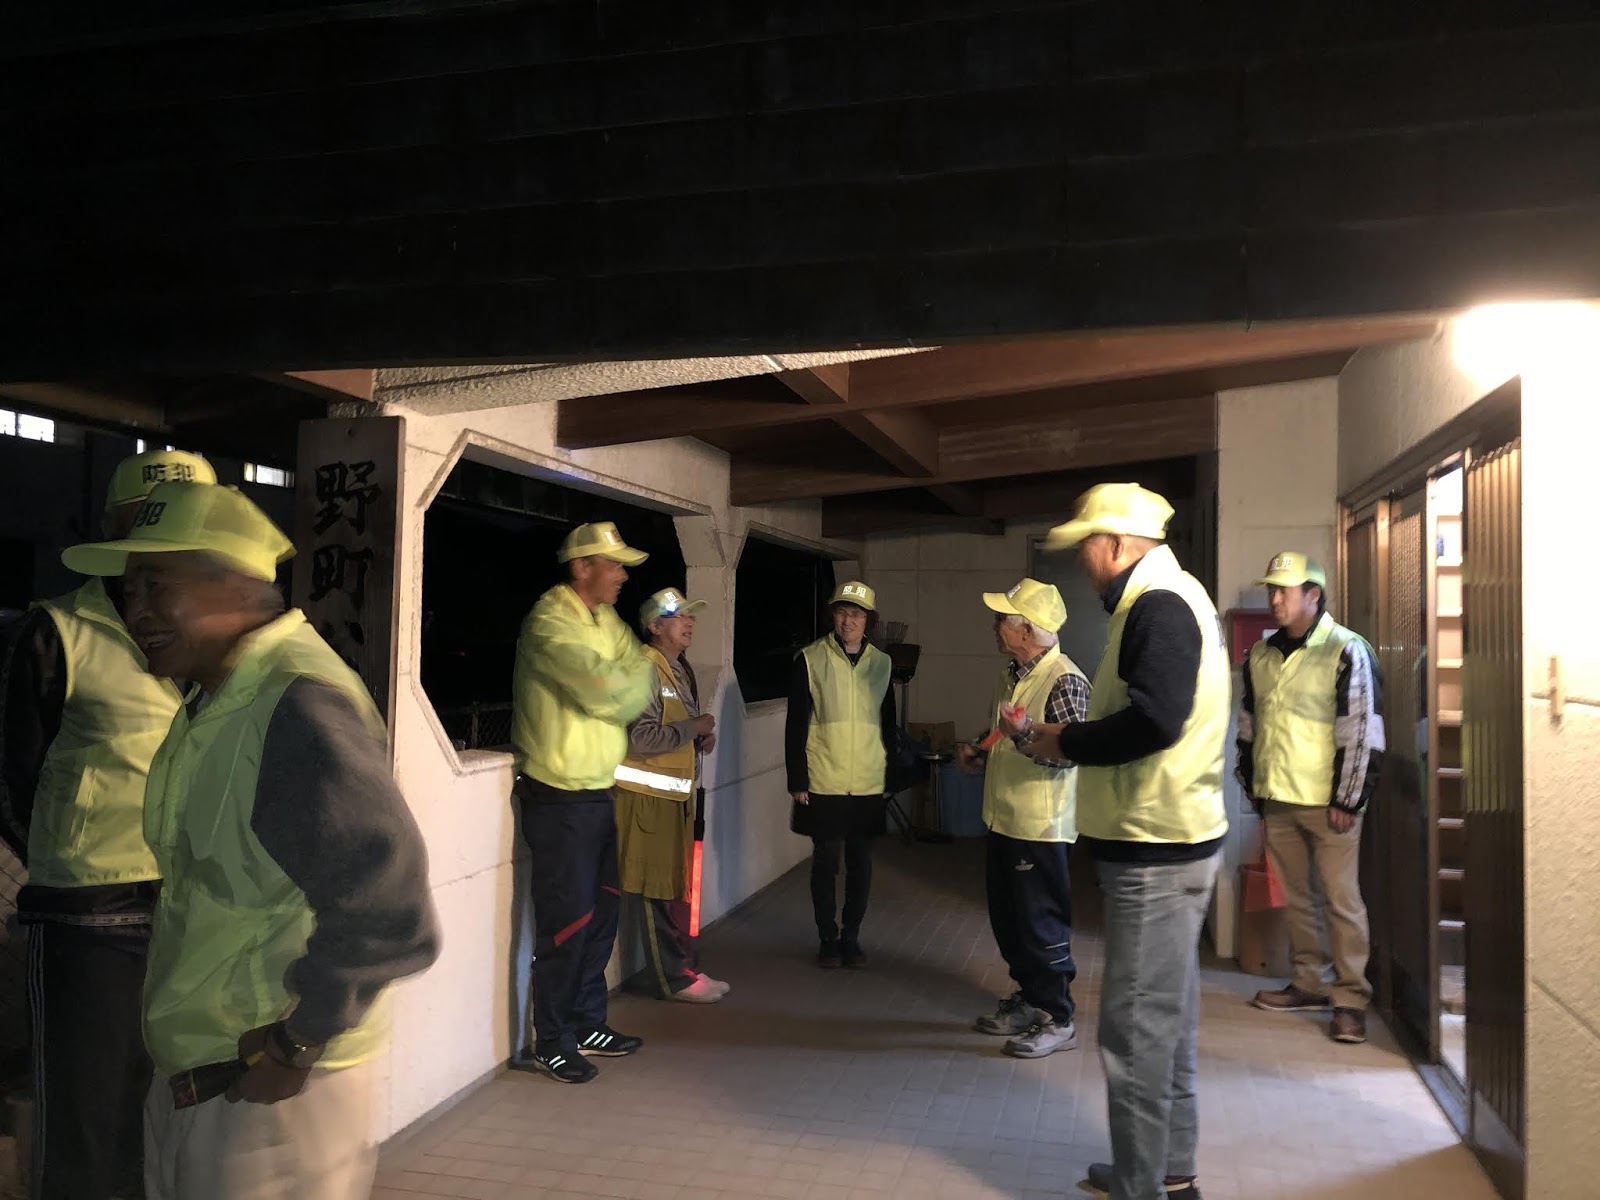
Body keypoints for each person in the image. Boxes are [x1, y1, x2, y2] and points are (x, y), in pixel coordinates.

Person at [58, 480, 440, 1200]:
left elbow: (390, 908)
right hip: (207, 1069)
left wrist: (299, 1041)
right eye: (129, 589)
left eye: (157, 584)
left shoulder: (294, 703)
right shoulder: (220, 697)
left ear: (235, 584)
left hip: (267, 1084)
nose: (135, 610)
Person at [0, 447, 216, 1200]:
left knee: (163, 1108)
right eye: (147, 519)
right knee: (83, 1122)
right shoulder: (58, 631)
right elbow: (13, 777)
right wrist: (67, 859)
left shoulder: (221, 640)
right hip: (87, 917)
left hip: (192, 909)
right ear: (111, 528)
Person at [1012, 483, 1229, 1200]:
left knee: (1134, 1034)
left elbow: (1155, 720)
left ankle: (1143, 1187)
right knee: (1168, 1025)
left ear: (1114, 545)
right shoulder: (1176, 597)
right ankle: (1169, 1171)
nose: (1083, 564)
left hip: (1155, 846)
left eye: (1086, 548)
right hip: (1175, 837)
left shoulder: (1157, 606)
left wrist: (1065, 741)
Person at [510, 522, 656, 1083]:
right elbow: (612, 692)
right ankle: (552, 1040)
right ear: (581, 567)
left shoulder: (604, 619)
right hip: (558, 796)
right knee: (566, 925)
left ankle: (587, 1021)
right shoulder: (550, 622)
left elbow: (636, 679)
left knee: (601, 917)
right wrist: (625, 676)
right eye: (614, 564)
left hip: (598, 791)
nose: (622, 576)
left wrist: (625, 676)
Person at [1237, 552, 1385, 1045]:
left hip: (1330, 804)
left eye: (1284, 590)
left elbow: (1361, 730)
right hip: (1278, 797)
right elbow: (1249, 724)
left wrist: (1349, 798)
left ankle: (1350, 999)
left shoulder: (1346, 650)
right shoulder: (1261, 655)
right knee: (1298, 899)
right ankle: (1308, 983)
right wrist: (1252, 784)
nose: (1274, 599)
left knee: (1342, 901)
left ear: (1313, 595)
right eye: (1271, 590)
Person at [958, 579, 1090, 1060]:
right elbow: (1006, 726)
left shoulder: (1065, 680)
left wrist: (1018, 736)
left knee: (1040, 925)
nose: (995, 626)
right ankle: (1031, 999)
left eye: (1003, 619)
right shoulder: (1013, 673)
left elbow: (1068, 754)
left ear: (1028, 630)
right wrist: (982, 749)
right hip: (1004, 818)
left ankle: (1058, 1017)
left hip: (1040, 827)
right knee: (1010, 923)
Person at [614, 587, 728, 1003]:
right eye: (679, 616)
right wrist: (693, 728)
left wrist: (697, 739)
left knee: (674, 888)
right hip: (647, 801)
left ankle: (684, 970)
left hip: (673, 799)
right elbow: (640, 738)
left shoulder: (678, 669)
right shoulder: (644, 668)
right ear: (654, 626)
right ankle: (672, 980)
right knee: (657, 890)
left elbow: (674, 729)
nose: (689, 623)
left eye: (690, 616)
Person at [785, 581, 895, 969]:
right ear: (833, 616)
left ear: (869, 621)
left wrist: (890, 778)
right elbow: (796, 724)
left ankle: (852, 937)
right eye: (842, 613)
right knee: (826, 864)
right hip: (824, 777)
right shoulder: (810, 658)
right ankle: (827, 938)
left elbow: (888, 725)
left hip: (868, 779)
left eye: (857, 615)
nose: (848, 621)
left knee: (861, 865)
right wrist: (798, 780)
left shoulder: (882, 663)